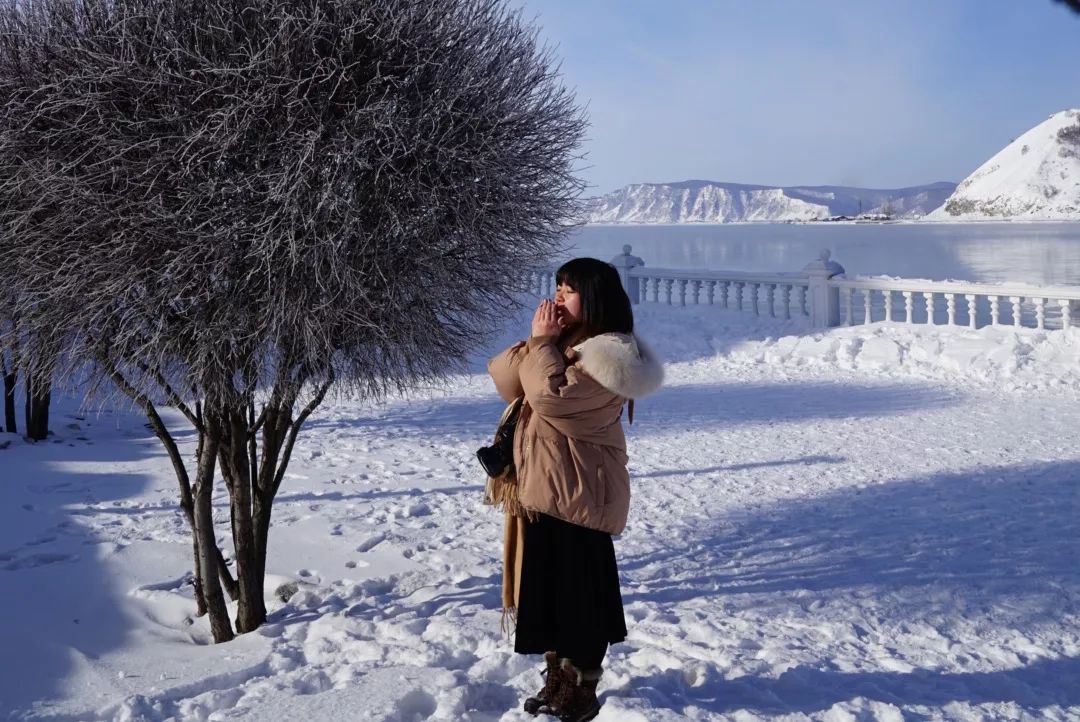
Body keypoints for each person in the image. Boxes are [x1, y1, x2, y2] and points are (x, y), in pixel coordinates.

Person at [487, 257, 663, 721]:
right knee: (550, 594)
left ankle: (581, 691)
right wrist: (540, 341)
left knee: (581, 599)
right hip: (548, 487)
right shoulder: (567, 346)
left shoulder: (611, 354)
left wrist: (545, 345)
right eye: (558, 285)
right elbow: (507, 382)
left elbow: (550, 398)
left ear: (596, 295)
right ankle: (558, 681)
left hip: (582, 493)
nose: (560, 294)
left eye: (570, 288)